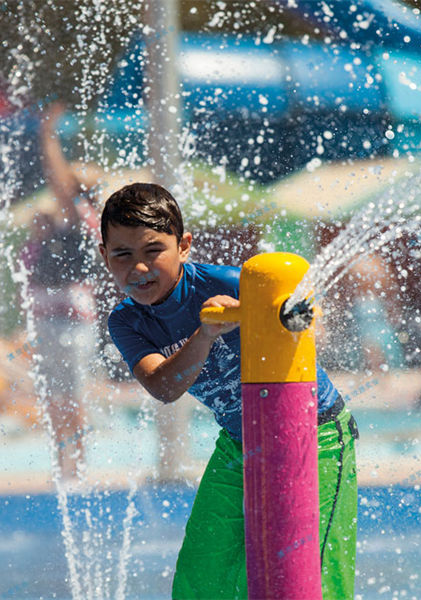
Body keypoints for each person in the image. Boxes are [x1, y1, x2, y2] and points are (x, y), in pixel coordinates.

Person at [98, 183, 358, 598]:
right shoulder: (127, 322)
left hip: (314, 433)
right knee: (201, 579)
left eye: (153, 251)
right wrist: (205, 334)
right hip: (240, 442)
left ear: (183, 246)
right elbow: (163, 387)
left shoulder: (232, 285)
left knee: (311, 577)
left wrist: (288, 314)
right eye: (122, 254)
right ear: (104, 256)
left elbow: (306, 318)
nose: (140, 268)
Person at [21, 103, 99, 480]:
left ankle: (76, 462)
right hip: (54, 321)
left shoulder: (82, 215)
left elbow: (58, 178)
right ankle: (64, 460)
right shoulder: (64, 226)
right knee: (55, 393)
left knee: (70, 393)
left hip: (69, 323)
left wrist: (47, 135)